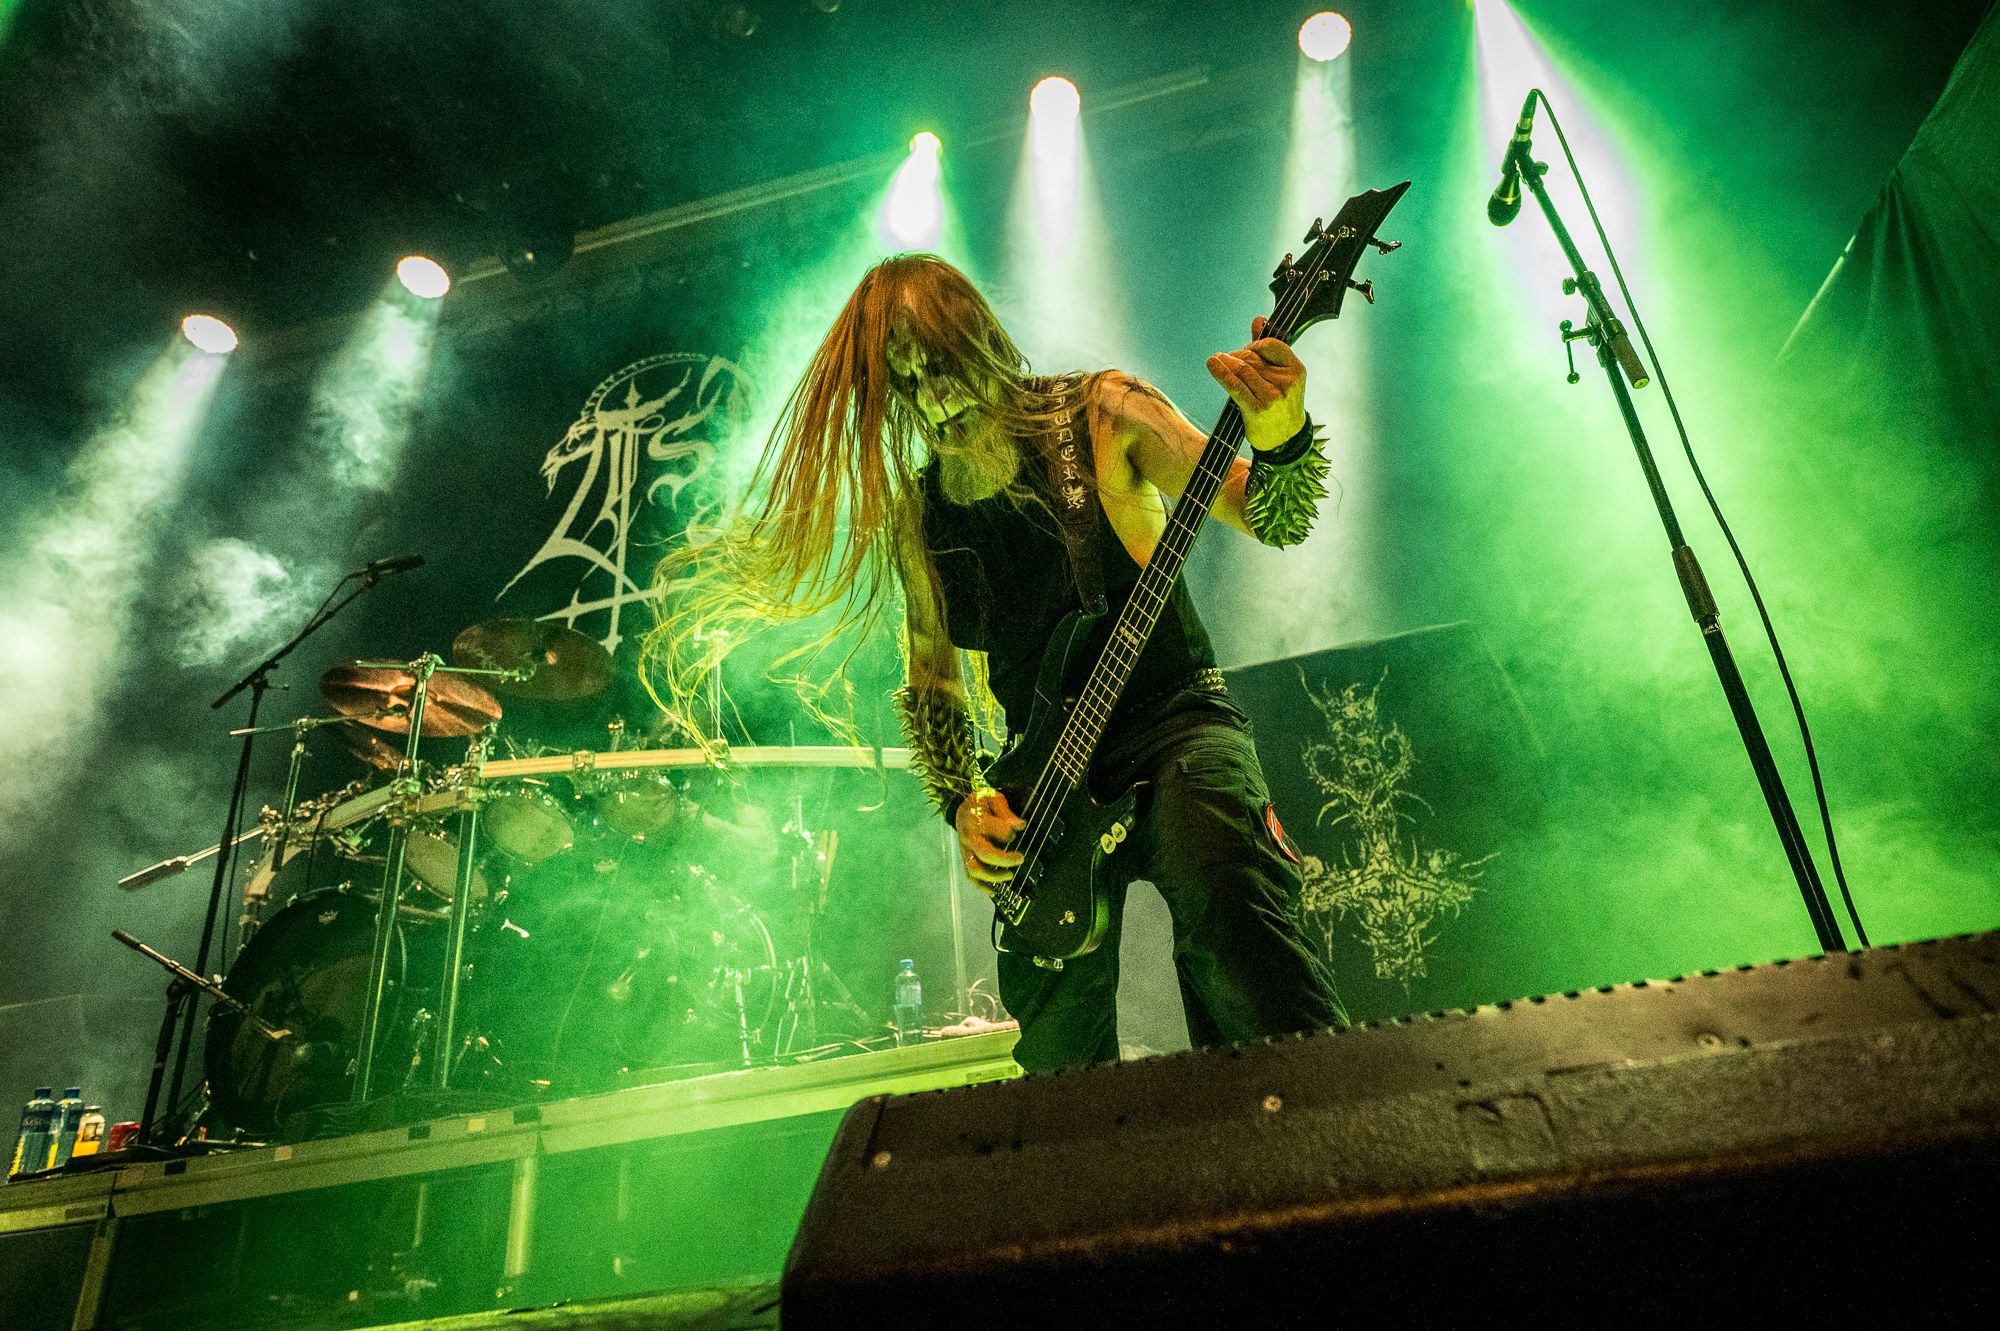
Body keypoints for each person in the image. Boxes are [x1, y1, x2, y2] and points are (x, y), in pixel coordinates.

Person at [650, 254, 1343, 1071]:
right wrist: (963, 804)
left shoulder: (1102, 413)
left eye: (942, 366)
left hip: (1173, 725)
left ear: (981, 339)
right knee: (1057, 1046)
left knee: (1233, 913)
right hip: (1047, 776)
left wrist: (1282, 436)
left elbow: (1269, 514)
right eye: (907, 382)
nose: (934, 398)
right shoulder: (920, 515)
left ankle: (1326, 1109)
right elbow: (933, 689)